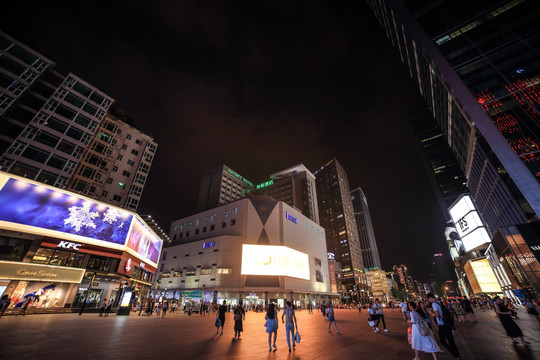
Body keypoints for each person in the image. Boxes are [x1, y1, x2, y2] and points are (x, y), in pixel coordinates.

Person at [427, 293, 461, 360]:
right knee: (451, 340)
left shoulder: (434, 304)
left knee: (442, 340)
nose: (429, 300)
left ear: (430, 298)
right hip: (448, 323)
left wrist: (431, 314)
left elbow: (437, 315)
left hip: (442, 324)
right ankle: (457, 356)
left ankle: (453, 353)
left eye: (428, 299)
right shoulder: (440, 302)